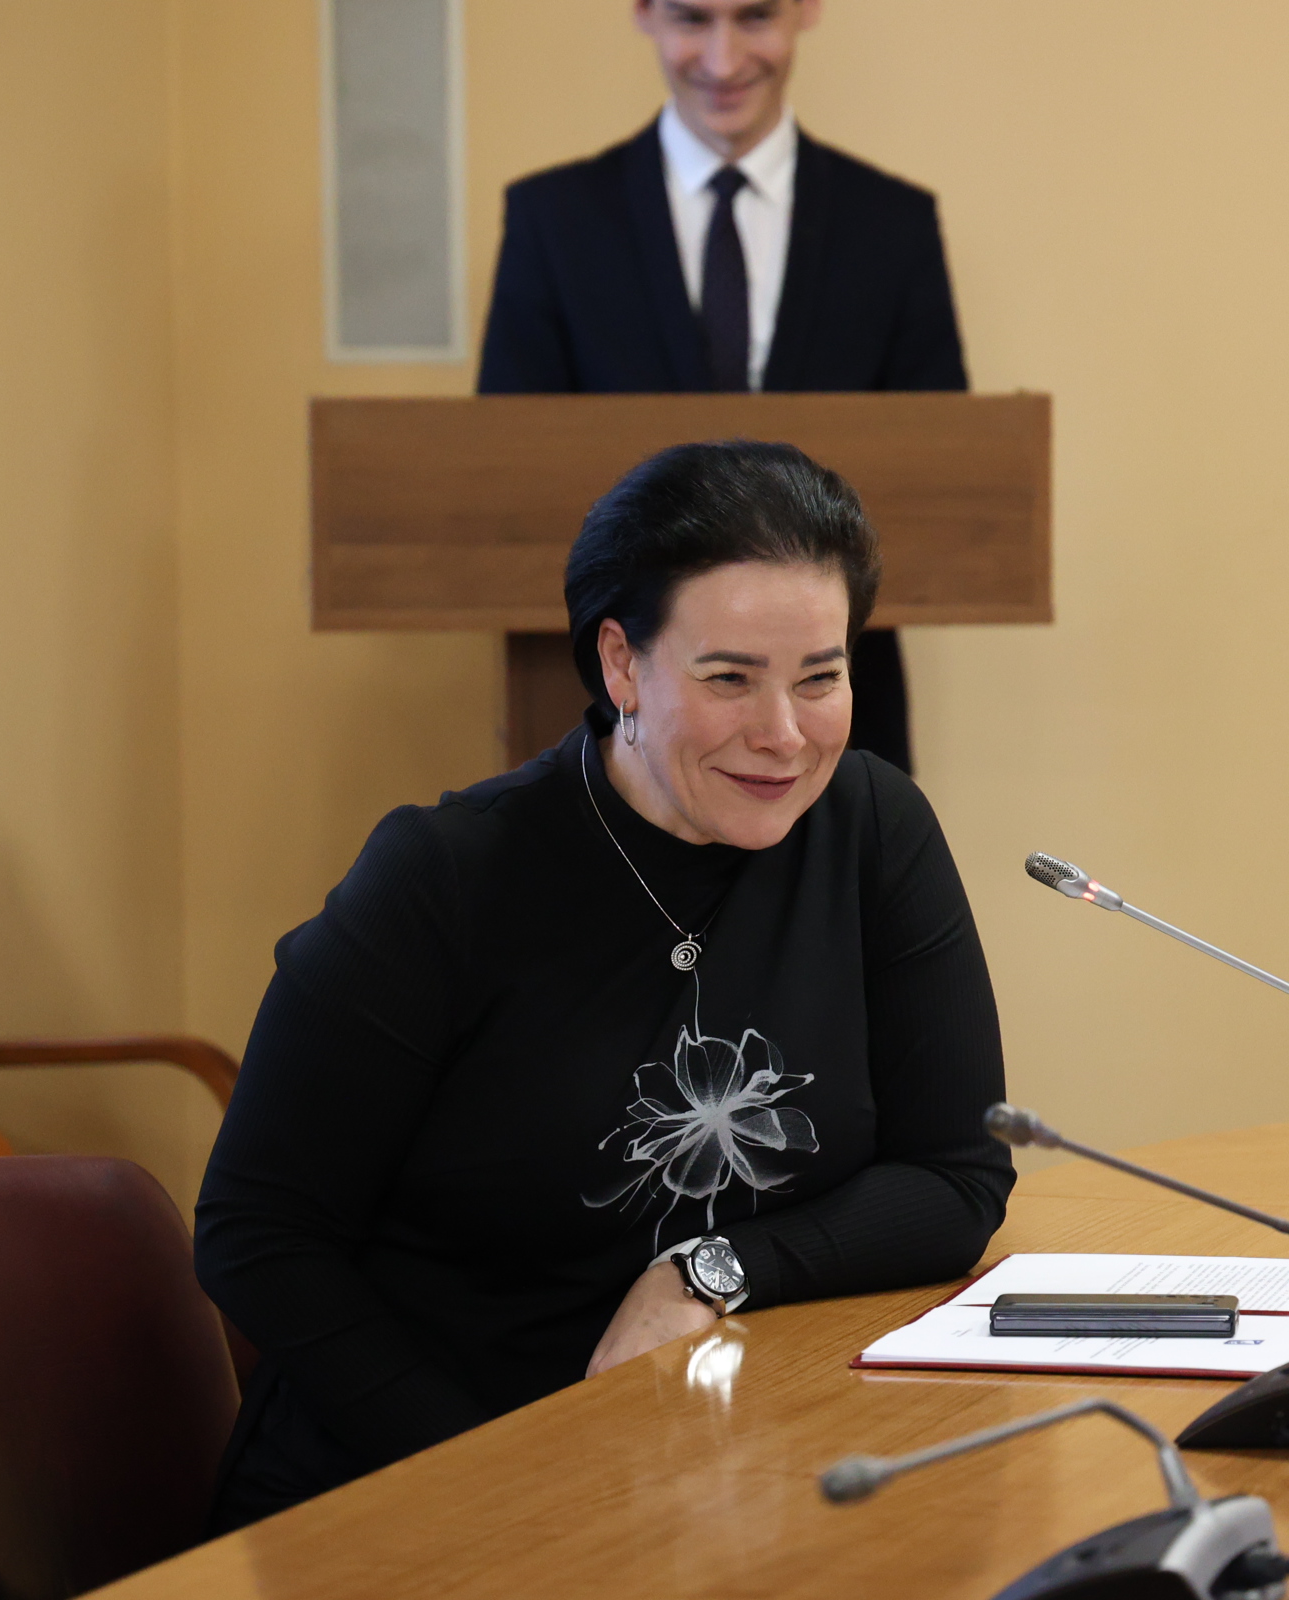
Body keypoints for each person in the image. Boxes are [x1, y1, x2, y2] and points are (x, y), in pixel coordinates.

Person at [195, 441, 1014, 1529]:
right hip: (417, 1487)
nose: (784, 735)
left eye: (820, 677)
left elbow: (956, 1177)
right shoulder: (445, 878)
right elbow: (258, 1232)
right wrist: (500, 1477)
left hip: (714, 1484)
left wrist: (707, 1268)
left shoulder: (871, 828)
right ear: (621, 665)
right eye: (729, 678)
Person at [479, 0, 968, 774]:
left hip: (838, 714)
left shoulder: (892, 223)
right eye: (692, 19)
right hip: (612, 714)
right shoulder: (556, 219)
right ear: (645, 13)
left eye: (755, 17)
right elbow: (499, 467)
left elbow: (948, 470)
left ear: (806, 10)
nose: (723, 58)